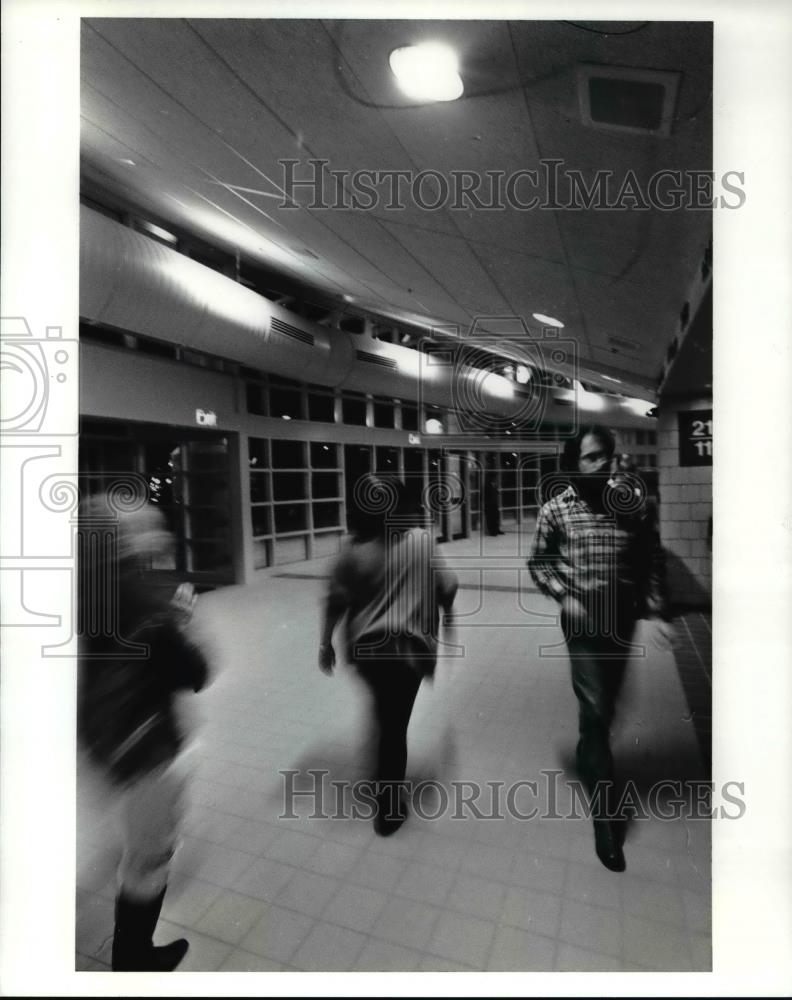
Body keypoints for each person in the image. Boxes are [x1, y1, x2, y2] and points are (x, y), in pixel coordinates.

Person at [527, 425, 670, 872]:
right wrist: (564, 594)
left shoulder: (630, 503)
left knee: (606, 712)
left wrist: (655, 602)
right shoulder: (556, 510)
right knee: (594, 710)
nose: (601, 464)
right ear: (573, 464)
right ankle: (607, 823)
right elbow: (539, 562)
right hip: (582, 620)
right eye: (590, 457)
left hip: (620, 619)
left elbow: (649, 554)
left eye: (605, 456)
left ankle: (592, 748)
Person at [78, 494, 209, 971]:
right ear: (122, 541)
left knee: (138, 850)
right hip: (148, 747)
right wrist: (180, 620)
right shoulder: (145, 599)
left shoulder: (91, 588)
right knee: (149, 859)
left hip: (110, 741)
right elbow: (195, 673)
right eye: (149, 525)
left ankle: (131, 952)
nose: (163, 532)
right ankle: (135, 959)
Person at [319, 476, 458, 835]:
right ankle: (389, 809)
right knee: (395, 726)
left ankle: (384, 785)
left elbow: (335, 602)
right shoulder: (424, 542)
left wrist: (325, 643)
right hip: (409, 652)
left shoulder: (352, 551)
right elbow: (449, 586)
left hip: (367, 653)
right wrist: (447, 619)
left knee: (385, 717)